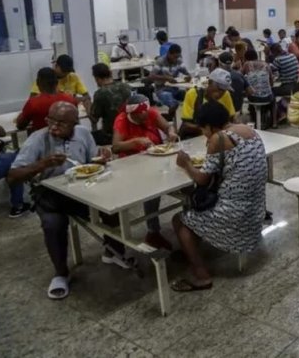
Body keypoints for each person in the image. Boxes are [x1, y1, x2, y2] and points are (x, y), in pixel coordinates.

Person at [8, 102, 123, 300]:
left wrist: (102, 158)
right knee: (53, 224)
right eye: (50, 121)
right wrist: (43, 164)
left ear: (74, 123)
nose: (53, 127)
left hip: (83, 190)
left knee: (113, 206)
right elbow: (12, 176)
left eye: (61, 123)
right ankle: (61, 273)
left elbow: (91, 161)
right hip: (49, 194)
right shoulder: (37, 139)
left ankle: (114, 252)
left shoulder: (83, 133)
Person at [171, 101, 267, 291]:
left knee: (179, 220)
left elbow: (202, 180)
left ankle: (201, 275)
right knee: (192, 206)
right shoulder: (248, 131)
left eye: (203, 128)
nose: (203, 133)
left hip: (236, 215)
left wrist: (186, 164)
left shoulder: (218, 138)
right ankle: (192, 248)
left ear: (210, 126)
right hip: (257, 210)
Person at [111, 94, 174, 249]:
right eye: (141, 117)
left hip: (154, 156)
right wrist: (135, 142)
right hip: (131, 163)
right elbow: (115, 147)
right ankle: (153, 231)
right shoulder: (121, 120)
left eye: (147, 114)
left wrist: (171, 132)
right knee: (151, 192)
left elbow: (167, 126)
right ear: (131, 114)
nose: (146, 118)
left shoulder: (150, 112)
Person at [181, 65, 237, 138]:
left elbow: (231, 119)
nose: (221, 93)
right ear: (209, 82)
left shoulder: (226, 94)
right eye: (218, 88)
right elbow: (186, 124)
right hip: (196, 137)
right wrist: (206, 130)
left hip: (219, 137)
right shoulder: (193, 94)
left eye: (223, 90)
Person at [17, 68, 77, 134]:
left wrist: (21, 115)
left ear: (37, 83)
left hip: (43, 142)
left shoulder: (33, 103)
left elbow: (20, 126)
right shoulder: (71, 100)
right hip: (66, 142)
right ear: (57, 82)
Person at [89, 63, 132, 145]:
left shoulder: (100, 93)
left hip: (110, 135)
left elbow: (94, 119)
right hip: (129, 130)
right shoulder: (126, 87)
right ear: (110, 73)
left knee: (90, 136)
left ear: (97, 78)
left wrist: (87, 105)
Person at [149, 44, 190, 120]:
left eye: (178, 57)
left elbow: (186, 72)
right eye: (174, 57)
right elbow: (151, 76)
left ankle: (188, 119)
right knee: (174, 103)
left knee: (190, 96)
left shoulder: (178, 60)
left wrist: (188, 76)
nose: (176, 59)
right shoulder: (160, 61)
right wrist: (166, 78)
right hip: (161, 89)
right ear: (169, 54)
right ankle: (168, 118)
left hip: (174, 89)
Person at [243, 50, 274, 128]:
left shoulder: (247, 64)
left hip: (254, 98)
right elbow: (271, 82)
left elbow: (240, 77)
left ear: (246, 58)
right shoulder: (266, 64)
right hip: (267, 98)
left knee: (250, 92)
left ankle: (254, 119)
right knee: (272, 97)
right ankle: (274, 122)